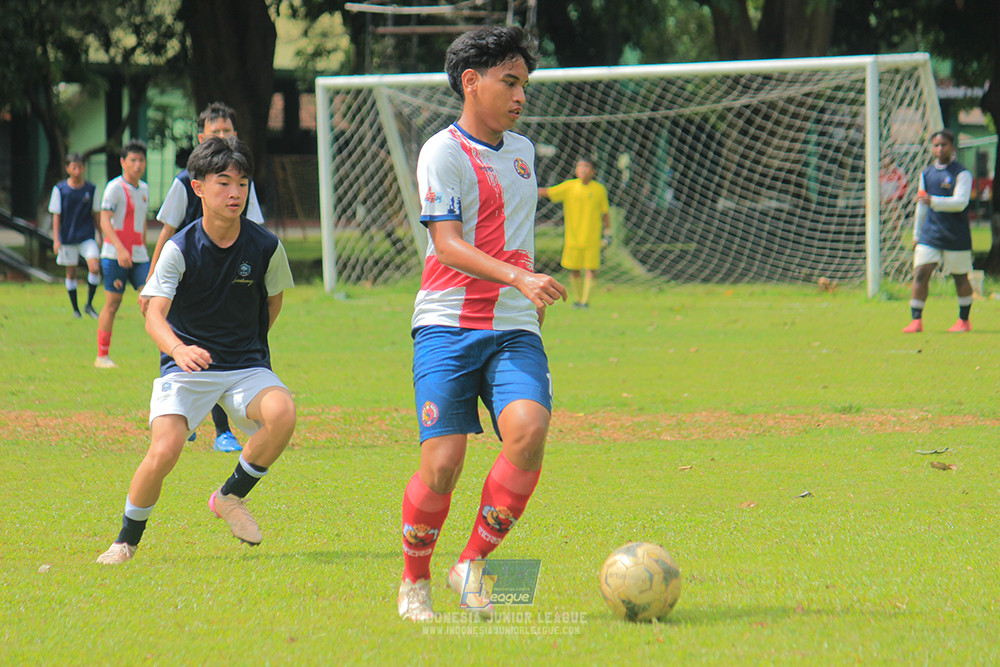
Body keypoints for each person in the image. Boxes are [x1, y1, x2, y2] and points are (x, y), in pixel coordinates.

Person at [396, 25, 567, 622]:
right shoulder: (441, 151)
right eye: (510, 81)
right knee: (441, 466)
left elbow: (510, 239)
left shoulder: (522, 153)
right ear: (471, 82)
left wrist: (526, 286)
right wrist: (520, 278)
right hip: (446, 323)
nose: (521, 95)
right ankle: (414, 581)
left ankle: (471, 566)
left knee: (528, 431)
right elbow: (445, 245)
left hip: (515, 324)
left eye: (525, 83)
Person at [95, 136, 296, 565]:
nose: (235, 193)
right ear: (198, 187)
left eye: (242, 183)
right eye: (223, 182)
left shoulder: (265, 247)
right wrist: (178, 349)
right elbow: (153, 314)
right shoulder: (179, 248)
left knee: (283, 413)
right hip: (185, 365)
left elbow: (273, 300)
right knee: (165, 450)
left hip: (244, 365)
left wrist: (249, 343)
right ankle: (125, 541)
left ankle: (229, 497)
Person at [145, 101, 265, 452]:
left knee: (220, 351)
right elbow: (167, 230)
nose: (224, 137)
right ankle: (183, 414)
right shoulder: (185, 182)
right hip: (188, 274)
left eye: (229, 132)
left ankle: (223, 431)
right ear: (202, 137)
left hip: (229, 270)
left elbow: (255, 228)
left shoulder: (242, 181)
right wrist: (152, 279)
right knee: (191, 350)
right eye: (217, 133)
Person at [902, 129, 974, 333]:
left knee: (960, 277)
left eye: (944, 144)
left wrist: (933, 201)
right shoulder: (926, 174)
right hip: (930, 233)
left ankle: (964, 321)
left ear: (952, 147)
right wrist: (917, 234)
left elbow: (960, 203)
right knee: (920, 273)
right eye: (936, 145)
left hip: (956, 234)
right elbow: (921, 206)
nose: (940, 148)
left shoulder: (962, 174)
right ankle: (916, 321)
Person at [95, 140, 151, 368]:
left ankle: (167, 354)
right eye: (133, 160)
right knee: (113, 303)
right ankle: (102, 356)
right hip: (114, 254)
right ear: (123, 162)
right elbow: (104, 220)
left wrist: (144, 249)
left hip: (139, 256)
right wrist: (119, 249)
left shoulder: (145, 189)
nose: (137, 165)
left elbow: (143, 222)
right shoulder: (114, 188)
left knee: (151, 299)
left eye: (141, 160)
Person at [538, 156, 611, 308]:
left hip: (592, 238)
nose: (582, 169)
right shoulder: (569, 187)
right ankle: (578, 299)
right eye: (580, 166)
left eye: (586, 167)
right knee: (574, 269)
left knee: (591, 269)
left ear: (593, 171)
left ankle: (586, 300)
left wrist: (608, 232)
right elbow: (549, 192)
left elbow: (605, 213)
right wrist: (529, 187)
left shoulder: (599, 189)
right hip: (573, 238)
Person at [48, 152, 101, 319]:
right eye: (74, 167)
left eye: (80, 167)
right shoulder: (60, 189)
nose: (77, 170)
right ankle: (76, 309)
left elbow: (97, 215)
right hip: (68, 237)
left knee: (94, 267)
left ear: (84, 168)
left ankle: (89, 304)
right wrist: (56, 239)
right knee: (71, 272)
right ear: (68, 168)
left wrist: (102, 235)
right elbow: (56, 216)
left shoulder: (91, 189)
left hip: (86, 236)